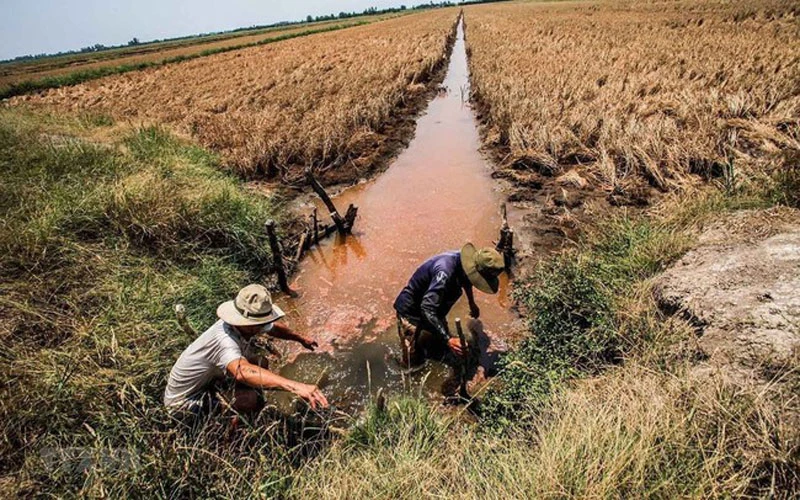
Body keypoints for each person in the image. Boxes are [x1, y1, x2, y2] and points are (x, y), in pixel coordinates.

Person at [164, 284, 328, 418]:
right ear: (243, 321)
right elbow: (242, 371)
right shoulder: (225, 340)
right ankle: (234, 433)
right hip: (184, 404)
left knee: (261, 362)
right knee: (249, 399)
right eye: (258, 324)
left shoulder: (245, 324)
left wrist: (300, 339)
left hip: (207, 383)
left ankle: (246, 409)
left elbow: (273, 329)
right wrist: (295, 386)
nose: (262, 327)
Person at [393, 243, 505, 366]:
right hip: (411, 311)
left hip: (436, 308)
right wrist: (448, 339)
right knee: (412, 359)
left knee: (440, 347)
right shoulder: (445, 272)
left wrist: (471, 302)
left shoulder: (465, 265)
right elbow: (427, 308)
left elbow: (466, 280)